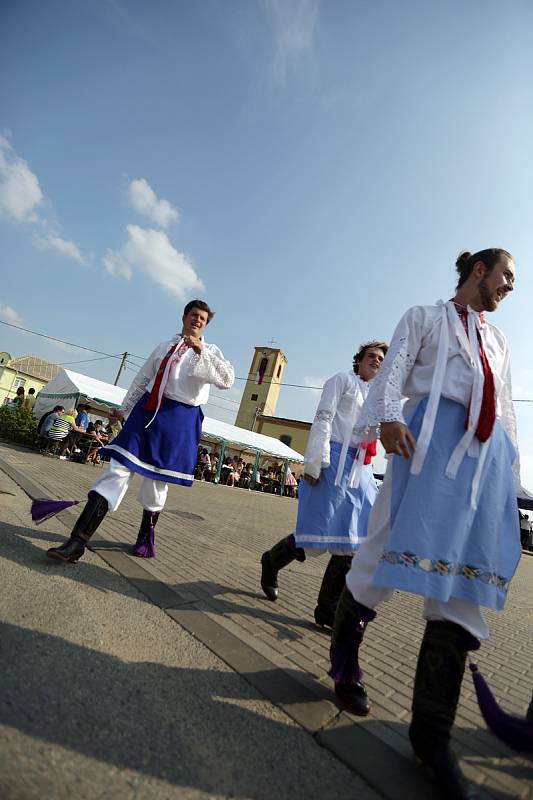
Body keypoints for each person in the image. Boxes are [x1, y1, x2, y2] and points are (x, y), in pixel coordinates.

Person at [328, 249, 520, 798]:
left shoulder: (499, 341)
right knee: (380, 554)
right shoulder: (422, 317)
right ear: (478, 271)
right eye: (507, 274)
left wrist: (510, 468)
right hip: (424, 441)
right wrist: (387, 417)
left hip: (480, 458)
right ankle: (344, 663)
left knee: (462, 580)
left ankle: (430, 734)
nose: (511, 286)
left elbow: (504, 405)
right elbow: (393, 371)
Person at [46, 299, 234, 562]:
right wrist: (124, 408)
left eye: (203, 318)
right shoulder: (163, 346)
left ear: (205, 325)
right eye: (194, 315)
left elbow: (227, 380)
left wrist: (201, 350)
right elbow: (142, 379)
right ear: (184, 317)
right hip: (146, 412)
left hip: (178, 419)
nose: (197, 320)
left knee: (155, 482)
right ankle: (77, 541)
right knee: (118, 469)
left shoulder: (211, 351)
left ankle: (146, 536)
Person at [260, 341, 388, 628]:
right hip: (334, 461)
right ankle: (271, 561)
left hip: (361, 470)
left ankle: (326, 610)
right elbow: (324, 417)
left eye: (382, 359)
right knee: (318, 533)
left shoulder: (380, 397)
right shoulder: (342, 381)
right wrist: (315, 461)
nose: (377, 361)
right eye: (372, 356)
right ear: (359, 360)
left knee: (352, 541)